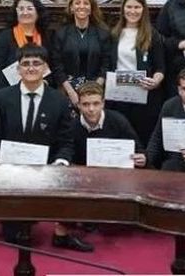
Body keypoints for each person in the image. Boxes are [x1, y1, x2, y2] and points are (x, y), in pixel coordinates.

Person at [0, 45, 74, 246]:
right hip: (10, 171)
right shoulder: (2, 97)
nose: (31, 68)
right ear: (18, 69)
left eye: (37, 63)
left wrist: (61, 162)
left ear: (45, 68)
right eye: (25, 64)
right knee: (14, 237)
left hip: (47, 171)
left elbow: (66, 141)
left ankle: (60, 230)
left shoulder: (60, 100)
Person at [59, 81, 143, 253]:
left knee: (112, 227)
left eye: (96, 104)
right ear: (78, 105)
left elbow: (139, 149)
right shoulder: (72, 126)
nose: (91, 109)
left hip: (115, 179)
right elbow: (66, 154)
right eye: (86, 104)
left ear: (103, 103)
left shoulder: (118, 120)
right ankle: (67, 229)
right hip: (84, 179)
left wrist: (141, 157)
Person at [107, 0, 167, 141]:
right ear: (123, 9)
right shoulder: (114, 34)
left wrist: (156, 81)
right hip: (118, 97)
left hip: (143, 97)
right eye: (129, 7)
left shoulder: (152, 34)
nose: (132, 11)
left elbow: (160, 68)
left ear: (143, 10)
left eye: (137, 7)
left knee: (141, 137)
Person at [50, 0, 113, 105]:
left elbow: (106, 63)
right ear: (71, 8)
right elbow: (56, 64)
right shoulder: (61, 33)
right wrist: (70, 91)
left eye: (86, 3)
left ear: (91, 8)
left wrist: (95, 89)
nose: (82, 6)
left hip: (95, 87)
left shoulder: (102, 33)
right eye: (77, 3)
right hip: (67, 89)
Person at [0, 0, 48, 94]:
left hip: (40, 90)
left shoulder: (46, 36)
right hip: (10, 92)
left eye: (29, 9)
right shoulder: (5, 36)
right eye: (21, 9)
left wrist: (46, 82)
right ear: (16, 12)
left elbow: (53, 66)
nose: (25, 12)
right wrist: (8, 91)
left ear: (38, 12)